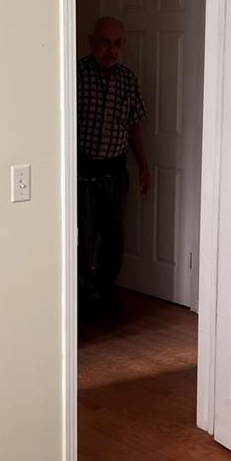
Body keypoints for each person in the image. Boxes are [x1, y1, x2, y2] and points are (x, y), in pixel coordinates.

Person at [77, 16, 151, 316]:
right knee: (83, 237)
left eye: (117, 43)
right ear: (91, 42)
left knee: (113, 237)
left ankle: (106, 289)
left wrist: (143, 165)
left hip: (116, 173)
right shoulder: (76, 74)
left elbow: (134, 126)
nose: (111, 50)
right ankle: (85, 295)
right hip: (83, 172)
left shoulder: (127, 79)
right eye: (105, 43)